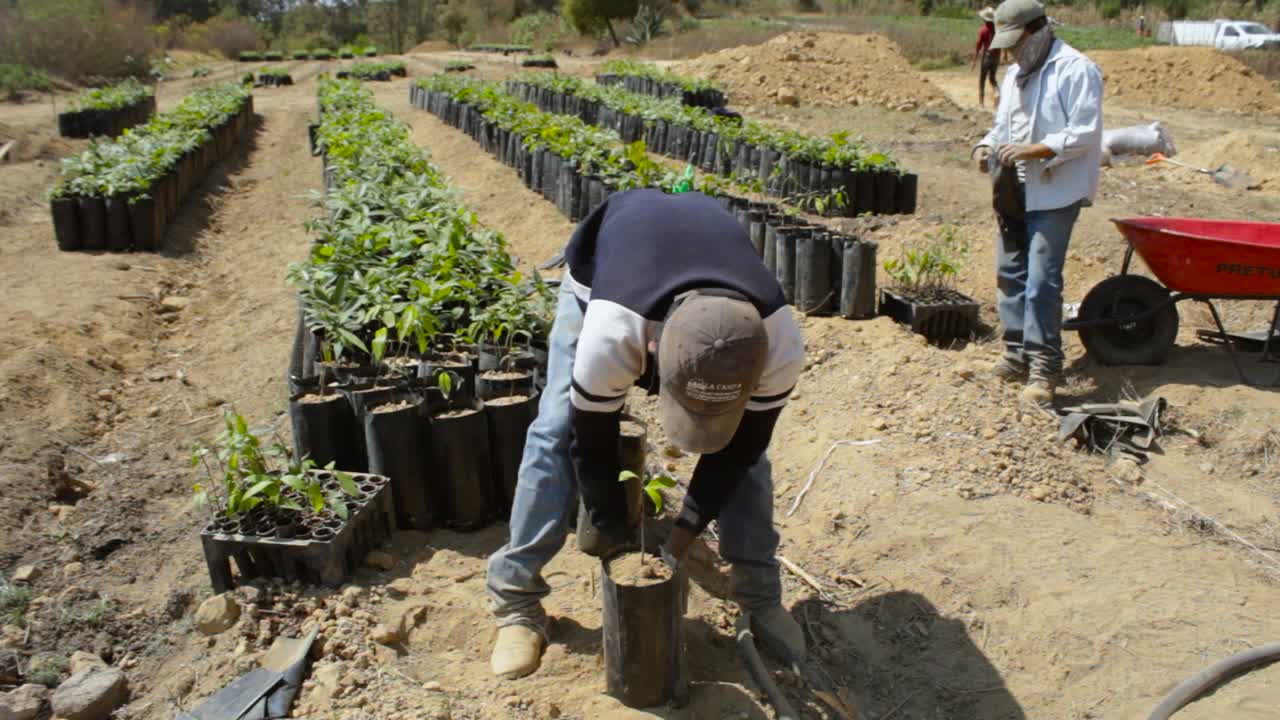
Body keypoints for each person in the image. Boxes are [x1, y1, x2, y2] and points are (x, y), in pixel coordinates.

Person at [485, 189, 807, 680]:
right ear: (651, 353)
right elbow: (590, 445)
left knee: (751, 463)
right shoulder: (611, 332)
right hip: (604, 275)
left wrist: (678, 540)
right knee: (554, 429)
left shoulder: (777, 343)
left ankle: (760, 597)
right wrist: (616, 538)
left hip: (693, 257)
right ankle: (517, 602)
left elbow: (740, 452)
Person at [971, 0, 1103, 406]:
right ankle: (1016, 355)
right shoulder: (1015, 75)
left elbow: (1085, 132)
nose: (1011, 52)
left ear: (1038, 30)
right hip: (1013, 188)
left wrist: (1036, 150)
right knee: (1010, 272)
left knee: (1042, 280)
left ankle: (1045, 367)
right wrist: (985, 146)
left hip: (1055, 191)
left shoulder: (1076, 69)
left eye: (1016, 43)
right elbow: (1002, 126)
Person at [972, 7, 1001, 107]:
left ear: (984, 19)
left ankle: (981, 103)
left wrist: (974, 60)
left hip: (987, 57)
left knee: (982, 79)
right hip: (997, 56)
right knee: (992, 78)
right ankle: (997, 91)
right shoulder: (998, 30)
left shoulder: (983, 30)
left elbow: (978, 46)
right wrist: (1005, 55)